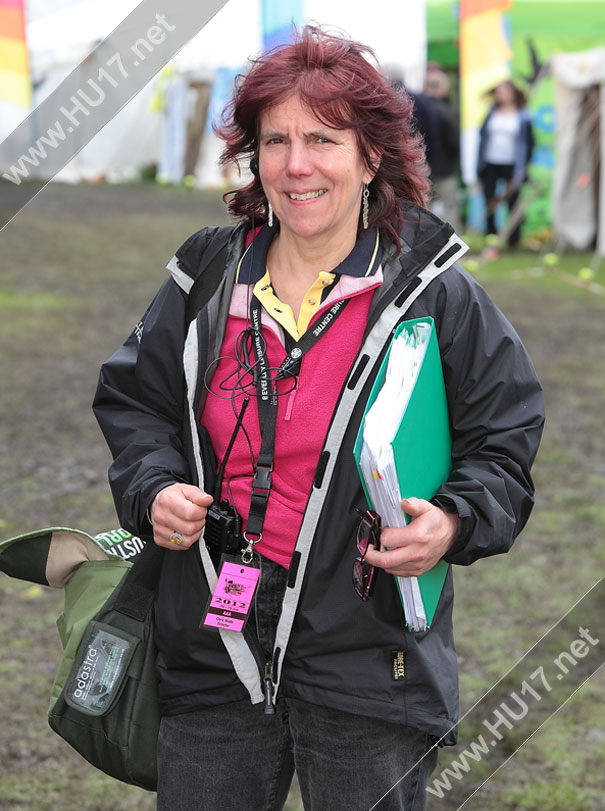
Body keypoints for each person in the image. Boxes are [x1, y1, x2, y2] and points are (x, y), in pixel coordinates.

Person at [93, 27, 544, 811]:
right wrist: (153, 486)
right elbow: (136, 402)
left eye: (323, 140)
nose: (296, 164)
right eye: (276, 140)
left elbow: (503, 443)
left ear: (371, 156)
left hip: (369, 656)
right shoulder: (207, 272)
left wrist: (453, 520)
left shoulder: (433, 293)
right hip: (214, 635)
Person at [477, 80, 535, 249]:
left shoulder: (523, 116)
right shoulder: (491, 112)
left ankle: (513, 240)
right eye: (498, 91)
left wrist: (524, 168)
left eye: (504, 91)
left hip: (512, 164)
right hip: (490, 162)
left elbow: (530, 143)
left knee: (513, 201)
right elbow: (483, 137)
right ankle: (491, 236)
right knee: (489, 198)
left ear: (513, 93)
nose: (500, 94)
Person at [424, 65, 462, 233]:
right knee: (450, 209)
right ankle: (451, 248)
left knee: (423, 210)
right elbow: (454, 141)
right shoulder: (446, 110)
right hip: (444, 169)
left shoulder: (416, 107)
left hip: (421, 169)